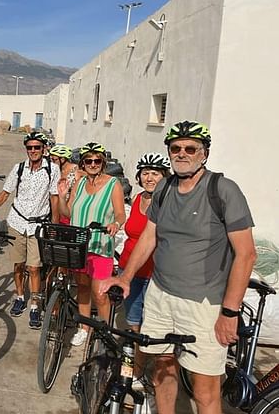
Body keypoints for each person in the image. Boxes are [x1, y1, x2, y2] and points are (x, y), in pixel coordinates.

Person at [100, 121, 256, 414]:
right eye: (176, 148)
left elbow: (246, 255)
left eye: (190, 148)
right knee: (162, 369)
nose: (182, 153)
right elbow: (150, 235)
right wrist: (125, 276)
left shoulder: (223, 190)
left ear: (204, 154)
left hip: (204, 303)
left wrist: (230, 312)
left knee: (205, 390)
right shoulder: (165, 187)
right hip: (160, 296)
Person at [0, 131, 60, 330]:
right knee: (18, 265)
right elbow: (6, 193)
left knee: (34, 267)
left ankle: (34, 305)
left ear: (43, 149)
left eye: (37, 147)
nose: (33, 151)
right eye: (30, 147)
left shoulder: (52, 169)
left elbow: (55, 198)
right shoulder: (19, 168)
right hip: (17, 221)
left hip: (38, 224)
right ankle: (20, 296)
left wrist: (55, 224)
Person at [57, 142, 126, 346]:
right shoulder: (79, 184)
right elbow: (67, 213)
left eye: (97, 160)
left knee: (100, 293)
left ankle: (105, 331)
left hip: (101, 244)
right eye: (89, 160)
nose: (93, 164)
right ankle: (84, 328)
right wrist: (62, 197)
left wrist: (115, 223)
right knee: (83, 287)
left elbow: (120, 212)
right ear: (83, 163)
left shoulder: (113, 184)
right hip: (80, 244)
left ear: (103, 162)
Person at [118, 153, 170, 382]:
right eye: (145, 173)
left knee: (151, 326)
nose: (149, 178)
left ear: (165, 176)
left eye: (155, 173)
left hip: (154, 274)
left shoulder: (170, 202)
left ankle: (137, 371)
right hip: (129, 270)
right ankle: (136, 367)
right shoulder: (138, 198)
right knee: (133, 323)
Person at [48, 144, 82, 224]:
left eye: (54, 159)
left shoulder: (75, 171)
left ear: (62, 159)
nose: (52, 162)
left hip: (69, 211)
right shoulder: (55, 171)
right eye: (51, 159)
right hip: (55, 211)